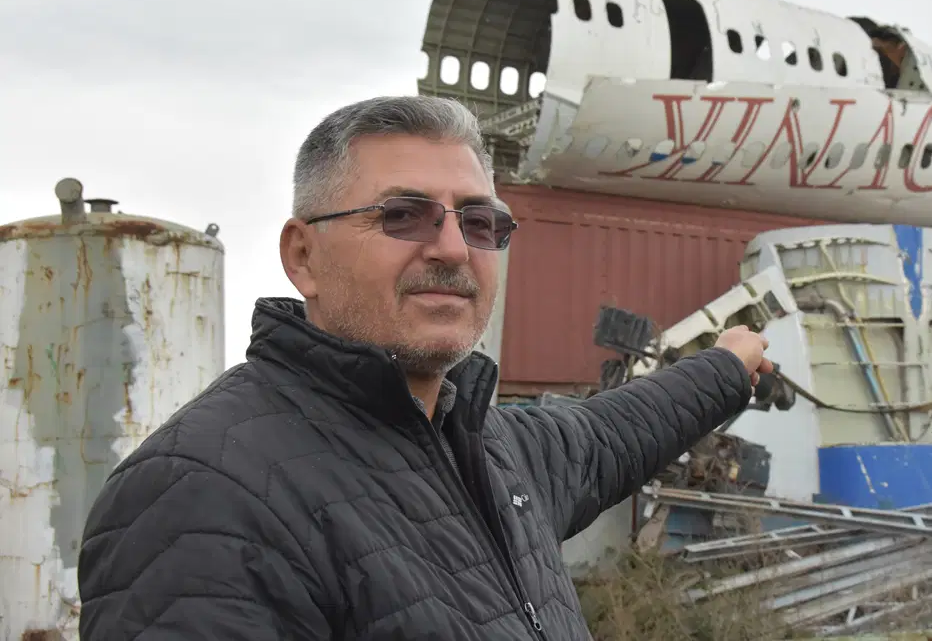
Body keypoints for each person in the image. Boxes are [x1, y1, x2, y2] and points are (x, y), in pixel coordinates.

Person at [77, 95, 774, 640]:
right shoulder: (201, 496)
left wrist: (726, 365)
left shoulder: (488, 449)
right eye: (404, 215)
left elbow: (616, 431)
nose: (451, 248)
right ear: (303, 258)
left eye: (480, 223)